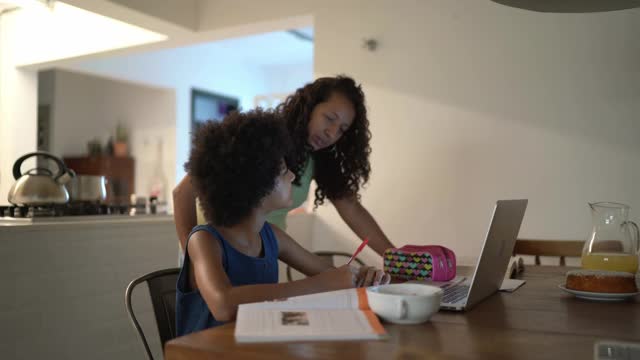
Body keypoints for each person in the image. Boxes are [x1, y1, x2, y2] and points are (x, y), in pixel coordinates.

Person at [176, 109, 390, 336]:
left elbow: (328, 273)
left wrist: (363, 277)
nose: (292, 176)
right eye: (282, 171)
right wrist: (323, 284)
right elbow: (223, 305)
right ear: (254, 183)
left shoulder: (272, 237)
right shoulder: (204, 241)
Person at [173, 75, 395, 257]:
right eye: (329, 118)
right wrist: (192, 252)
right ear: (309, 107)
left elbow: (352, 210)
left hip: (265, 252)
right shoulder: (259, 137)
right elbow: (182, 193)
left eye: (342, 129)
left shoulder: (317, 157)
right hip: (216, 250)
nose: (332, 133)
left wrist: (394, 257)